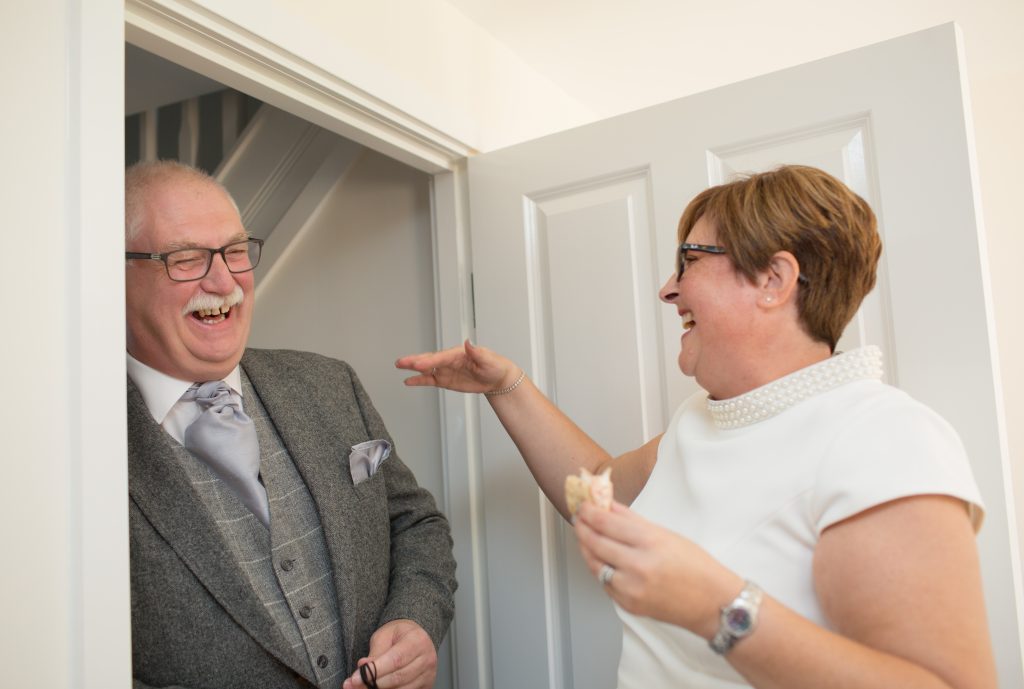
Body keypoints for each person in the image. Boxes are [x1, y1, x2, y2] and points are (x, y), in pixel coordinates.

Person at [396, 165, 996, 689]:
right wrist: (507, 385)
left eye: (690, 260)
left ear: (773, 281)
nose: (667, 289)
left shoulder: (885, 439)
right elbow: (598, 487)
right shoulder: (701, 419)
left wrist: (720, 608)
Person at [125, 160, 456, 689]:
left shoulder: (329, 383)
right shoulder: (70, 450)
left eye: (235, 251)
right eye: (186, 258)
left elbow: (415, 524)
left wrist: (414, 619)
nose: (224, 280)